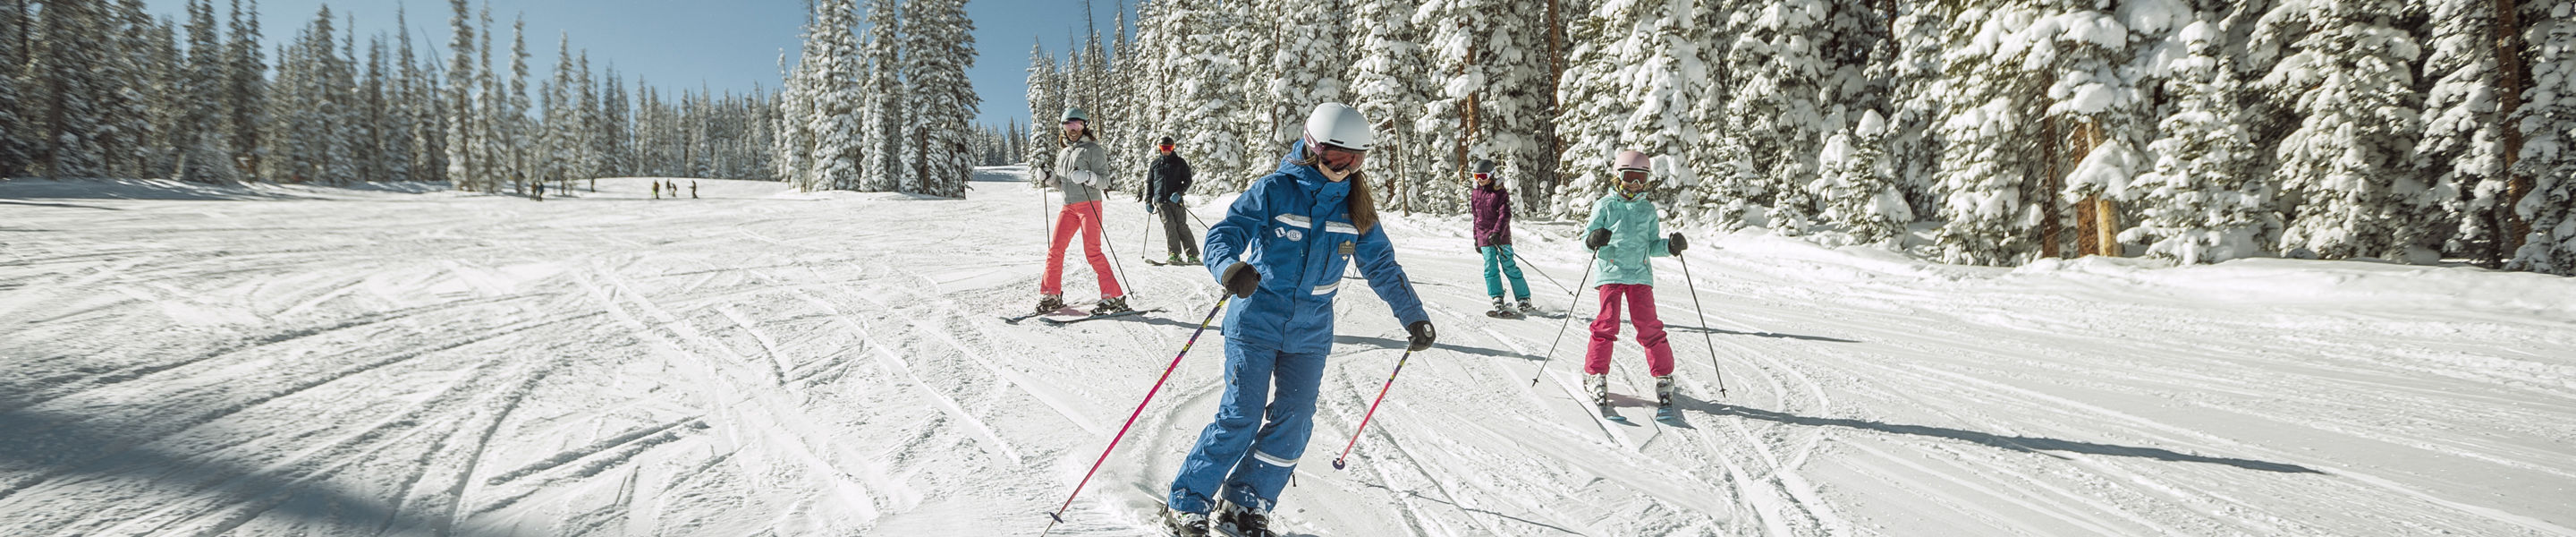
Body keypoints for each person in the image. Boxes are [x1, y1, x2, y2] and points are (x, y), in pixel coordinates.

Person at [1164, 103, 1436, 537]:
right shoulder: (1276, 190)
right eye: (1337, 156)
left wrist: (1413, 316)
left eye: (1355, 159)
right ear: (1313, 147)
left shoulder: (1356, 206)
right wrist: (1230, 269)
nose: (1345, 168)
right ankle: (1186, 502)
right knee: (1242, 416)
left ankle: (1246, 501)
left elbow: (1382, 265)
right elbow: (1224, 234)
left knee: (1295, 420)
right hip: (1256, 322)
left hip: (1310, 333)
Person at [1580, 149, 1690, 411]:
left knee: (1649, 325)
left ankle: (1664, 376)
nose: (1636, 184)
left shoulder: (1647, 209)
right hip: (1611, 272)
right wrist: (1593, 239)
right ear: (1618, 176)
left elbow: (1651, 245)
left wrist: (1669, 247)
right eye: (1630, 176)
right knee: (1607, 324)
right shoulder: (1605, 205)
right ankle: (1595, 373)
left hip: (1640, 275)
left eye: (1642, 178)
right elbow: (1586, 241)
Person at [1037, 107, 1131, 316]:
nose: (1073, 129)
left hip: (1090, 205)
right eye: (1069, 125)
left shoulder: (1094, 150)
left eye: (1077, 124)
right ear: (1063, 128)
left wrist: (1089, 177)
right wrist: (1050, 178)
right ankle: (1051, 294)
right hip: (1068, 206)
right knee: (1055, 250)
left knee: (1092, 251)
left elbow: (1105, 181)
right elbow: (1064, 184)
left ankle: (1113, 296)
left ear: (1084, 127)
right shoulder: (1063, 154)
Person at [1468, 159, 1532, 316]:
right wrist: (1476, 238)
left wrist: (1497, 233)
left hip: (1500, 236)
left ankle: (1523, 298)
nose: (1479, 180)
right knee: (1490, 267)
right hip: (1484, 236)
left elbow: (1505, 215)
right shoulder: (1475, 193)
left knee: (1509, 265)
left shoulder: (1500, 192)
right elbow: (1476, 217)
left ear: (1491, 175)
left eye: (1482, 176)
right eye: (1476, 176)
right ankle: (1496, 296)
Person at [1143, 136, 1199, 265]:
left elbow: (1188, 180)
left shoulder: (1180, 162)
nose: (1167, 150)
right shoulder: (1155, 164)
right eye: (1164, 148)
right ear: (1160, 148)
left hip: (1176, 200)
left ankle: (1192, 255)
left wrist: (1179, 192)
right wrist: (1148, 201)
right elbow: (1150, 184)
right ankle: (1174, 254)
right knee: (1169, 224)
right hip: (1161, 201)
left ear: (1173, 148)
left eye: (1170, 148)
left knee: (1181, 225)